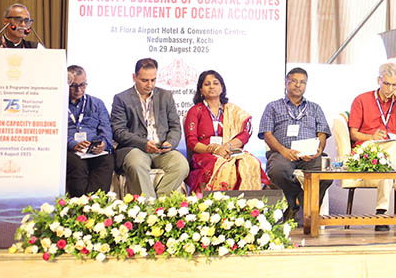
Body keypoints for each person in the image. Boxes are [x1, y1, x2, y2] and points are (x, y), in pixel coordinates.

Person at [348, 62, 396, 230]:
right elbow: (353, 134)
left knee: (389, 158)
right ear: (378, 80)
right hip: (367, 150)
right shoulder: (361, 100)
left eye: (394, 85)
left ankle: (381, 213)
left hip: (390, 155)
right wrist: (371, 136)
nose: (390, 89)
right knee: (391, 151)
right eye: (387, 84)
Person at [258, 68, 331, 222]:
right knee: (278, 171)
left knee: (326, 173)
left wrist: (319, 149)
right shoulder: (273, 106)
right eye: (294, 81)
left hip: (310, 154)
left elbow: (322, 132)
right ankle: (293, 201)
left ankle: (307, 208)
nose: (298, 85)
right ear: (286, 83)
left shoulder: (315, 108)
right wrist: (283, 151)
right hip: (282, 153)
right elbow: (266, 133)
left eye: (302, 82)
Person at [110, 57, 188, 198]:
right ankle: (148, 208)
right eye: (144, 80)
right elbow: (118, 131)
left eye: (153, 80)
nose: (150, 85)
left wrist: (171, 142)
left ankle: (161, 202)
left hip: (162, 149)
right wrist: (143, 144)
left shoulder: (166, 96)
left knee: (182, 165)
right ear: (134, 77)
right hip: (135, 148)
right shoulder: (121, 99)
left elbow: (175, 126)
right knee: (137, 164)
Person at [184, 69, 269, 193]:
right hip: (205, 154)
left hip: (230, 151)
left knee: (251, 162)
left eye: (215, 83)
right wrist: (214, 149)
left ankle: (248, 206)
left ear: (222, 88)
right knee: (224, 166)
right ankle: (220, 206)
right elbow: (191, 142)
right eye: (207, 84)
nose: (212, 86)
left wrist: (227, 146)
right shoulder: (195, 111)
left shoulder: (232, 110)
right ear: (201, 90)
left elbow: (245, 132)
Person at [64, 65, 114, 197]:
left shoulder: (97, 103)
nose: (79, 90)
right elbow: (55, 131)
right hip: (70, 151)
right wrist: (73, 144)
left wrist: (103, 143)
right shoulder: (58, 103)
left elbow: (106, 130)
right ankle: (79, 205)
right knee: (77, 164)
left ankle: (95, 206)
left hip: (92, 150)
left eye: (83, 85)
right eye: (74, 86)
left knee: (107, 160)